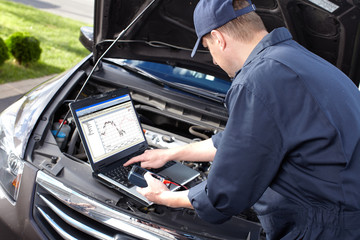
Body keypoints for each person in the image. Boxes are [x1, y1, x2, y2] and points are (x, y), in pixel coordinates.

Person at [124, 0, 360, 239]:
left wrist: (165, 197)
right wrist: (170, 154)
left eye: (208, 48)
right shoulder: (293, 59)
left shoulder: (258, 80)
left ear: (218, 38)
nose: (214, 60)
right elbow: (241, 141)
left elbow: (226, 194)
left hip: (325, 227)